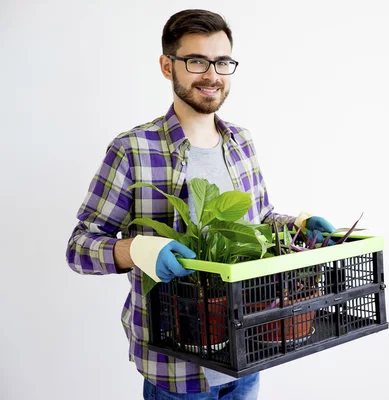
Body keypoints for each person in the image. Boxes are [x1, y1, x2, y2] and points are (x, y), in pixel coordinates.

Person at [65, 9, 335, 400]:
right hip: (178, 371)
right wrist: (136, 249)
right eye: (196, 61)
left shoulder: (241, 141)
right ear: (166, 65)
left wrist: (299, 223)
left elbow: (258, 220)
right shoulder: (133, 150)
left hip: (250, 351)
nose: (212, 75)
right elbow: (79, 247)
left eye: (222, 62)